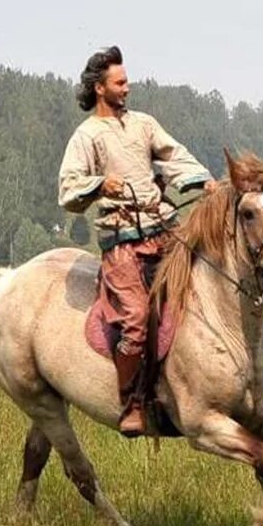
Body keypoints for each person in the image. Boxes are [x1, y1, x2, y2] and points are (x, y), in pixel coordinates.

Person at [58, 46, 218, 436]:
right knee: (137, 317)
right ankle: (131, 403)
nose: (127, 89)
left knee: (204, 291)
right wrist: (99, 185)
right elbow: (68, 189)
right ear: (100, 88)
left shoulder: (143, 124)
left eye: (127, 82)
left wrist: (204, 181)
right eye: (120, 83)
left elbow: (174, 155)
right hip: (122, 243)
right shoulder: (87, 135)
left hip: (163, 230)